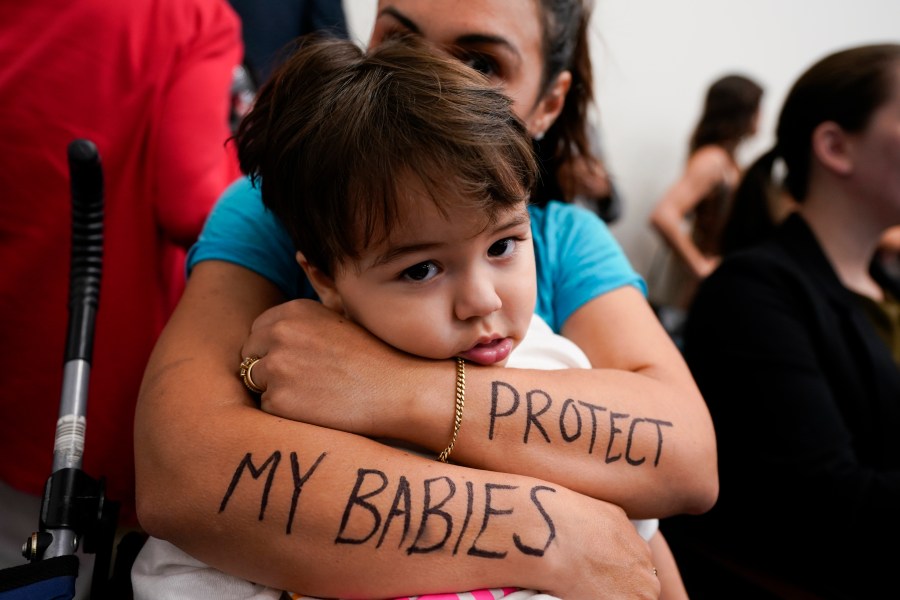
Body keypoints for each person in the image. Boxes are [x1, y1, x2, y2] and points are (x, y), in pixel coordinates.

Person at [133, 1, 718, 597]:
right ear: (325, 277)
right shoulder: (275, 216)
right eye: (398, 42)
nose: (431, 83)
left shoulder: (562, 258)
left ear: (548, 102)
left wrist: (389, 387)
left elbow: (686, 469)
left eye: (478, 61)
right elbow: (182, 476)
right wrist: (546, 532)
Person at [0, 0, 241, 594]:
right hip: (90, 370)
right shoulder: (185, 16)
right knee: (57, 571)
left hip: (18, 343)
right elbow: (195, 202)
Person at [661, 43, 900, 598]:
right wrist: (699, 262)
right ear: (835, 146)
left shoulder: (883, 290)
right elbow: (826, 505)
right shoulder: (753, 293)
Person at [648, 74, 763, 329]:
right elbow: (663, 215)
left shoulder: (728, 162)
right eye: (759, 108)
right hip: (685, 300)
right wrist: (700, 267)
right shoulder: (713, 160)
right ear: (743, 111)